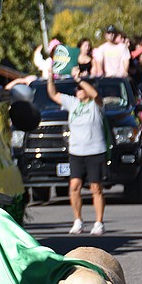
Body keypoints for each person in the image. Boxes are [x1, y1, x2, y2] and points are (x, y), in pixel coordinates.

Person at [46, 75, 107, 235]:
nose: (78, 90)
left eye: (81, 88)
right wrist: (49, 77)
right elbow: (53, 94)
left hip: (95, 150)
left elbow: (94, 95)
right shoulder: (73, 103)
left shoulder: (96, 105)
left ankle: (99, 223)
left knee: (96, 187)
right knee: (74, 186)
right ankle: (78, 220)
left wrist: (79, 79)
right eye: (77, 88)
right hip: (76, 152)